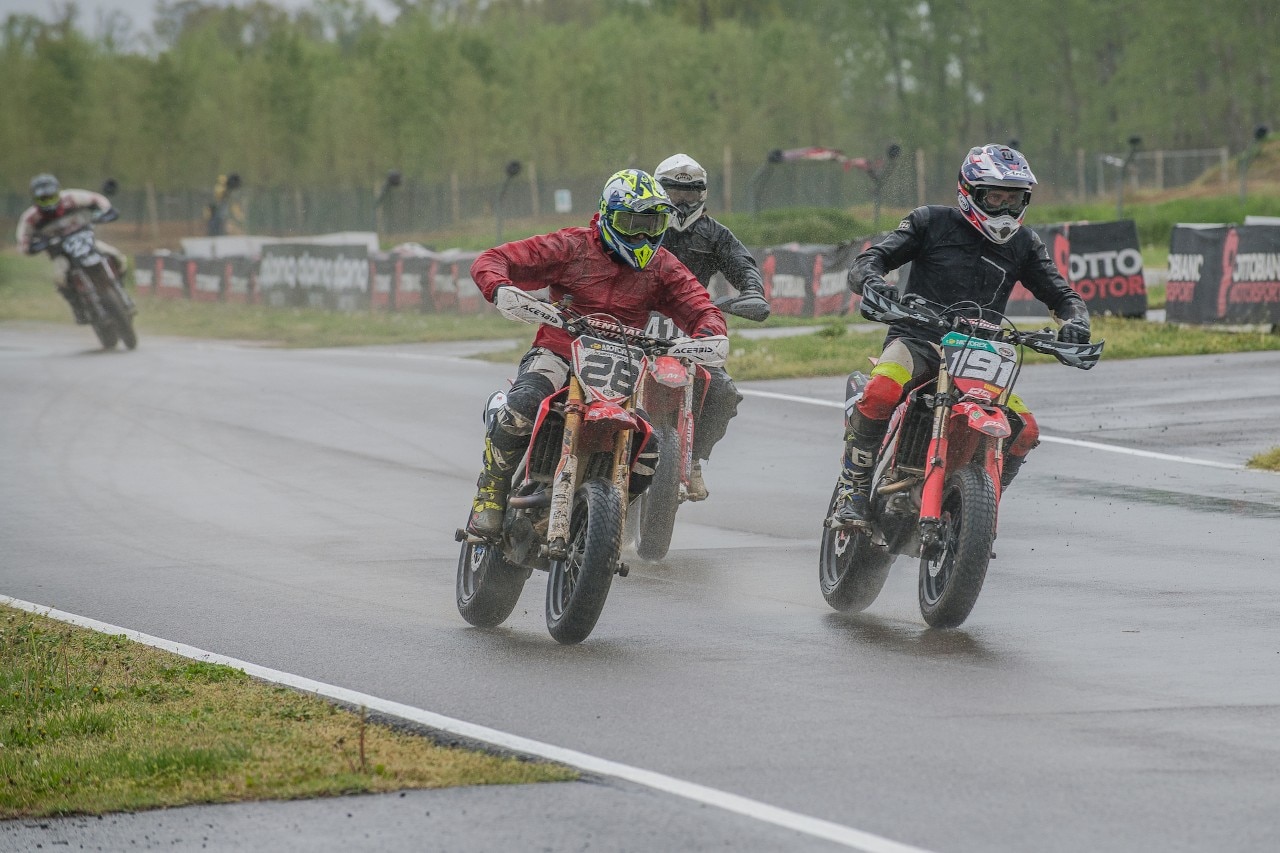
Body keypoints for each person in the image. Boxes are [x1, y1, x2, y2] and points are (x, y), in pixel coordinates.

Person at [829, 143, 1091, 529]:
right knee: (883, 389)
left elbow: (1062, 295)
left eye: (1013, 199)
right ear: (969, 192)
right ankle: (853, 488)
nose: (1004, 209)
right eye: (994, 197)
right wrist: (873, 281)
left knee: (1026, 429)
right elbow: (871, 259)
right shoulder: (929, 221)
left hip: (981, 352)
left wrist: (1076, 323)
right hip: (917, 337)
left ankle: (977, 514)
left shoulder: (1025, 244)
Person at [466, 168, 728, 539]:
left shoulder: (663, 266)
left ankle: (603, 526)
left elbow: (701, 306)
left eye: (652, 225)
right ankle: (490, 492)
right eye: (630, 222)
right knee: (524, 403)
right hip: (558, 351)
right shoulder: (571, 246)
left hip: (624, 364)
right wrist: (500, 289)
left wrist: (709, 334)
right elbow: (493, 259)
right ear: (607, 216)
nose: (641, 235)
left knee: (650, 449)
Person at [652, 152, 771, 501]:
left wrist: (752, 292)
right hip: (631, 318)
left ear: (703, 194)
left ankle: (694, 459)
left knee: (721, 391)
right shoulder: (639, 223)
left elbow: (743, 265)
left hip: (691, 325)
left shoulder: (715, 234)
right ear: (659, 191)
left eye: (690, 194)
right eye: (675, 193)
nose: (683, 201)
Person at [15, 173, 129, 325]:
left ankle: (119, 286)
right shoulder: (30, 218)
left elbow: (97, 199)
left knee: (117, 256)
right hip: (62, 254)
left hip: (87, 243)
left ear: (58, 193)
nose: (48, 203)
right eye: (43, 199)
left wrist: (106, 211)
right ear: (35, 200)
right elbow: (23, 241)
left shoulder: (71, 198)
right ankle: (78, 307)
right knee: (60, 277)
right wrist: (32, 246)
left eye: (51, 197)